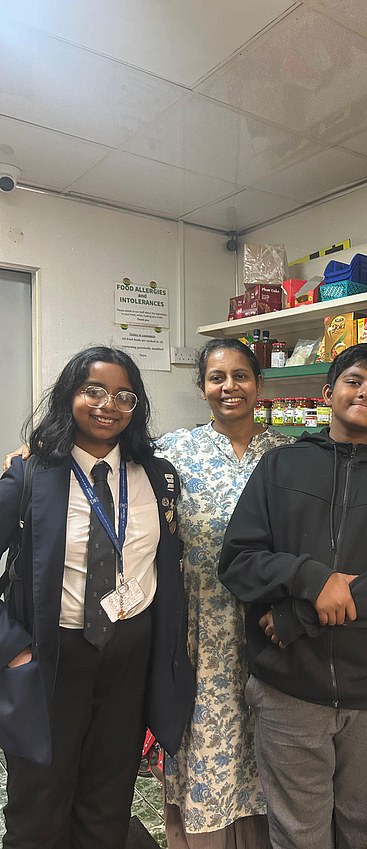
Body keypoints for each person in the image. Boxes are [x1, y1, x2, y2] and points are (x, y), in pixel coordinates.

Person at [219, 342, 367, 849]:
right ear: (328, 392)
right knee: (297, 834)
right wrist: (314, 579)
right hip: (289, 690)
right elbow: (238, 561)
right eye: (355, 381)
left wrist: (300, 617)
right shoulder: (280, 469)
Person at [0, 346, 195, 849]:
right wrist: (11, 649)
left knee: (109, 801)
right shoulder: (30, 475)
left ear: (137, 407)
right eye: (94, 391)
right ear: (70, 396)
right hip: (51, 656)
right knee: (39, 802)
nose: (109, 404)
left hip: (130, 657)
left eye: (124, 396)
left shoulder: (157, 476)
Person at [156, 338, 293, 849]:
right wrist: (39, 450)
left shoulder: (289, 456)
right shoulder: (173, 452)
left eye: (241, 376)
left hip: (270, 627)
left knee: (265, 742)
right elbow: (110, 459)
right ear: (202, 388)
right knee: (205, 741)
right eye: (217, 378)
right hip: (199, 627)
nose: (229, 387)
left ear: (259, 385)